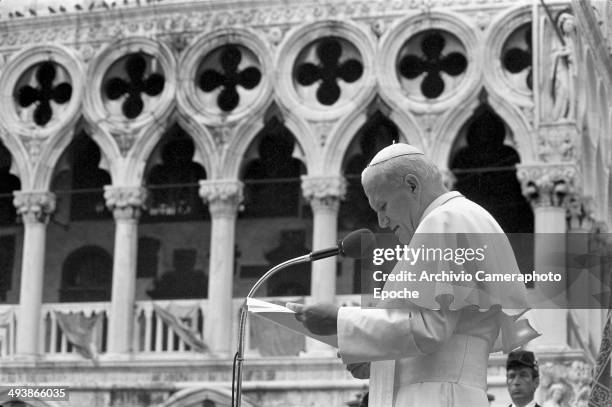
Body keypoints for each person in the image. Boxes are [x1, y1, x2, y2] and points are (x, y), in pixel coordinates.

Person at [290, 143, 540, 407]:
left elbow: (431, 328)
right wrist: (371, 354)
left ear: (412, 185)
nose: (382, 221)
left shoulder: (442, 221)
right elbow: (446, 337)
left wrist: (341, 320)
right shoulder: (469, 217)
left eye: (383, 206)